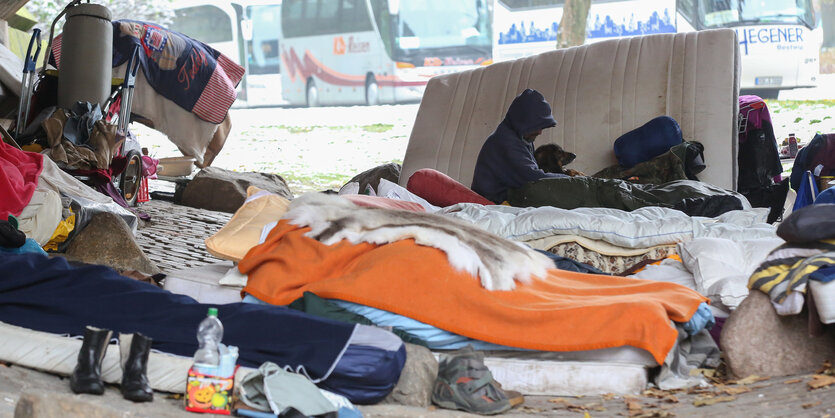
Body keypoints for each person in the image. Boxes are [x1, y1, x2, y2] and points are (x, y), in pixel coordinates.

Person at [471, 88, 567, 203]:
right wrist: (572, 180)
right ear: (523, 121)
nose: (540, 132)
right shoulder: (506, 142)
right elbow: (534, 179)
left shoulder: (521, 136)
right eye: (537, 126)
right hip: (493, 203)